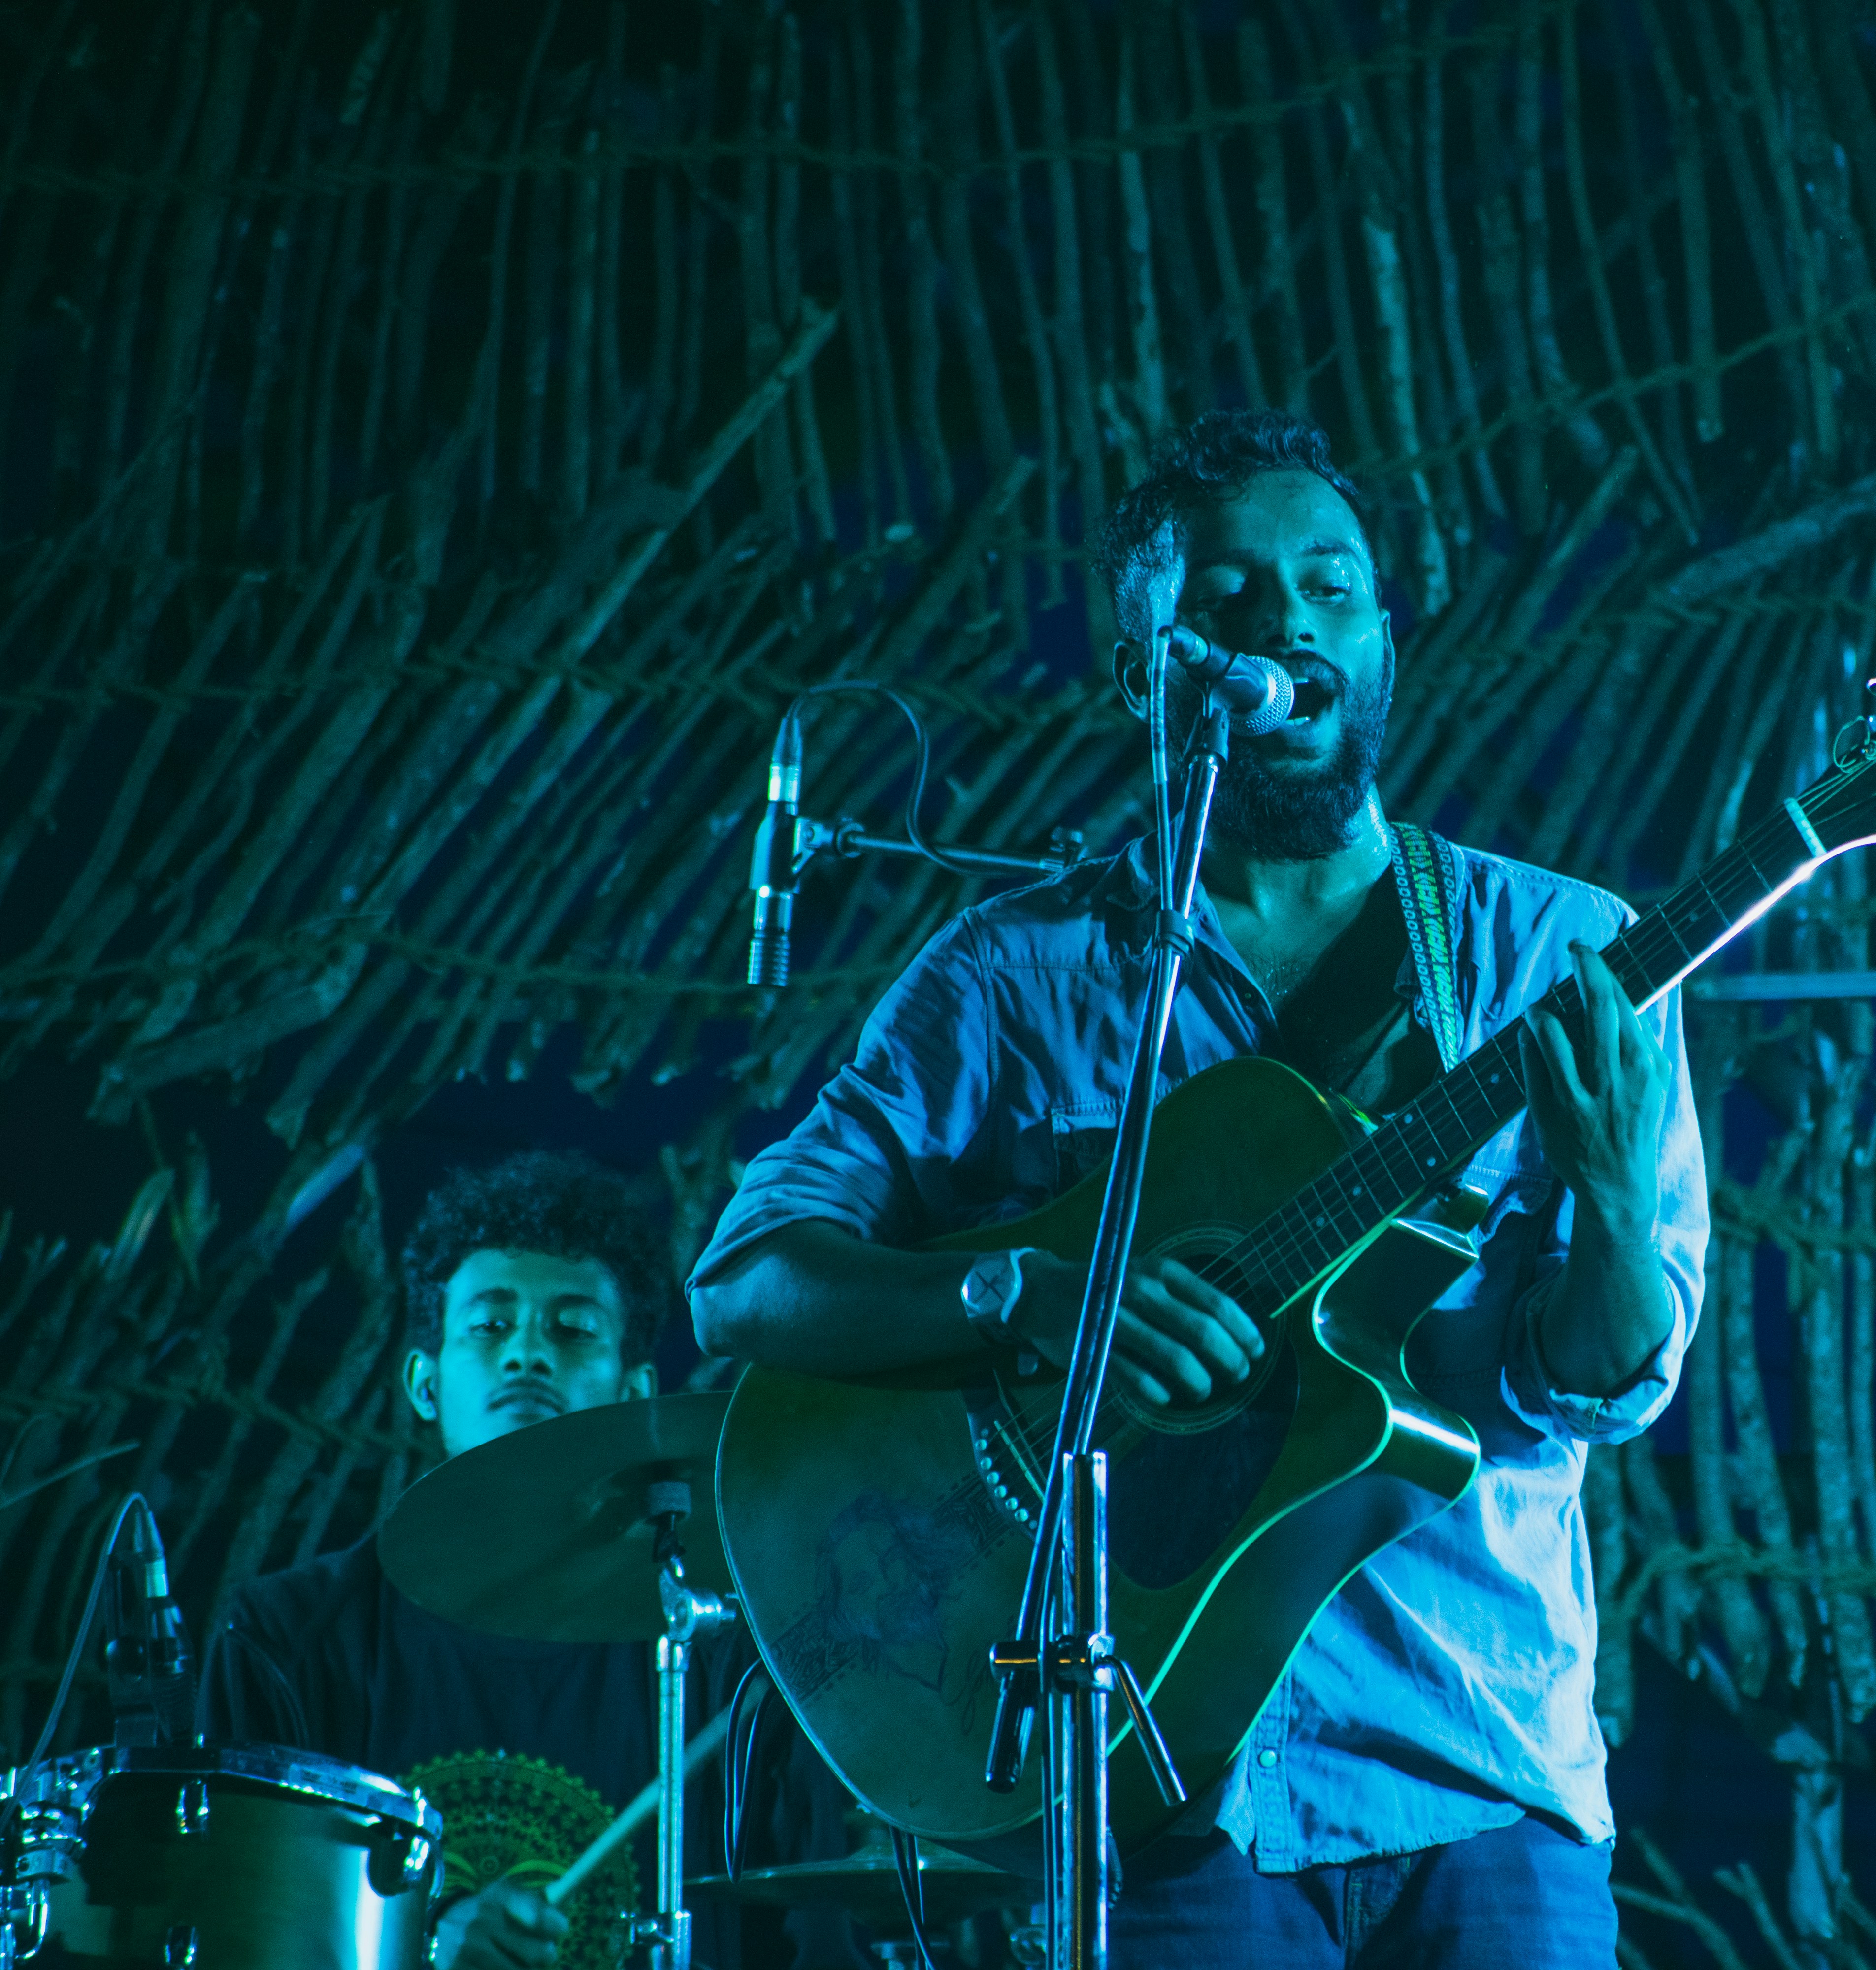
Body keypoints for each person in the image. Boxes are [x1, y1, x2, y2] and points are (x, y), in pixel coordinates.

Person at [688, 408, 1710, 1968]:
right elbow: (747, 1276)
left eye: (1329, 587)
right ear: (1140, 664)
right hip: (1162, 1802)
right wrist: (1028, 1305)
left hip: (1482, 1767)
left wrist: (1619, 1206)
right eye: (1226, 600)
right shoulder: (1016, 977)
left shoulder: (1559, 956)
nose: (1286, 624)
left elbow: (1602, 1387)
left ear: (1380, 639)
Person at [205, 1152, 849, 1970]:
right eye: (489, 1324)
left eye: (574, 1328)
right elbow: (239, 1931)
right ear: (425, 1383)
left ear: (632, 1388)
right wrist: (425, 1943)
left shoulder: (729, 1656)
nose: (527, 1355)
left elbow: (818, 1935)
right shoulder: (289, 1640)